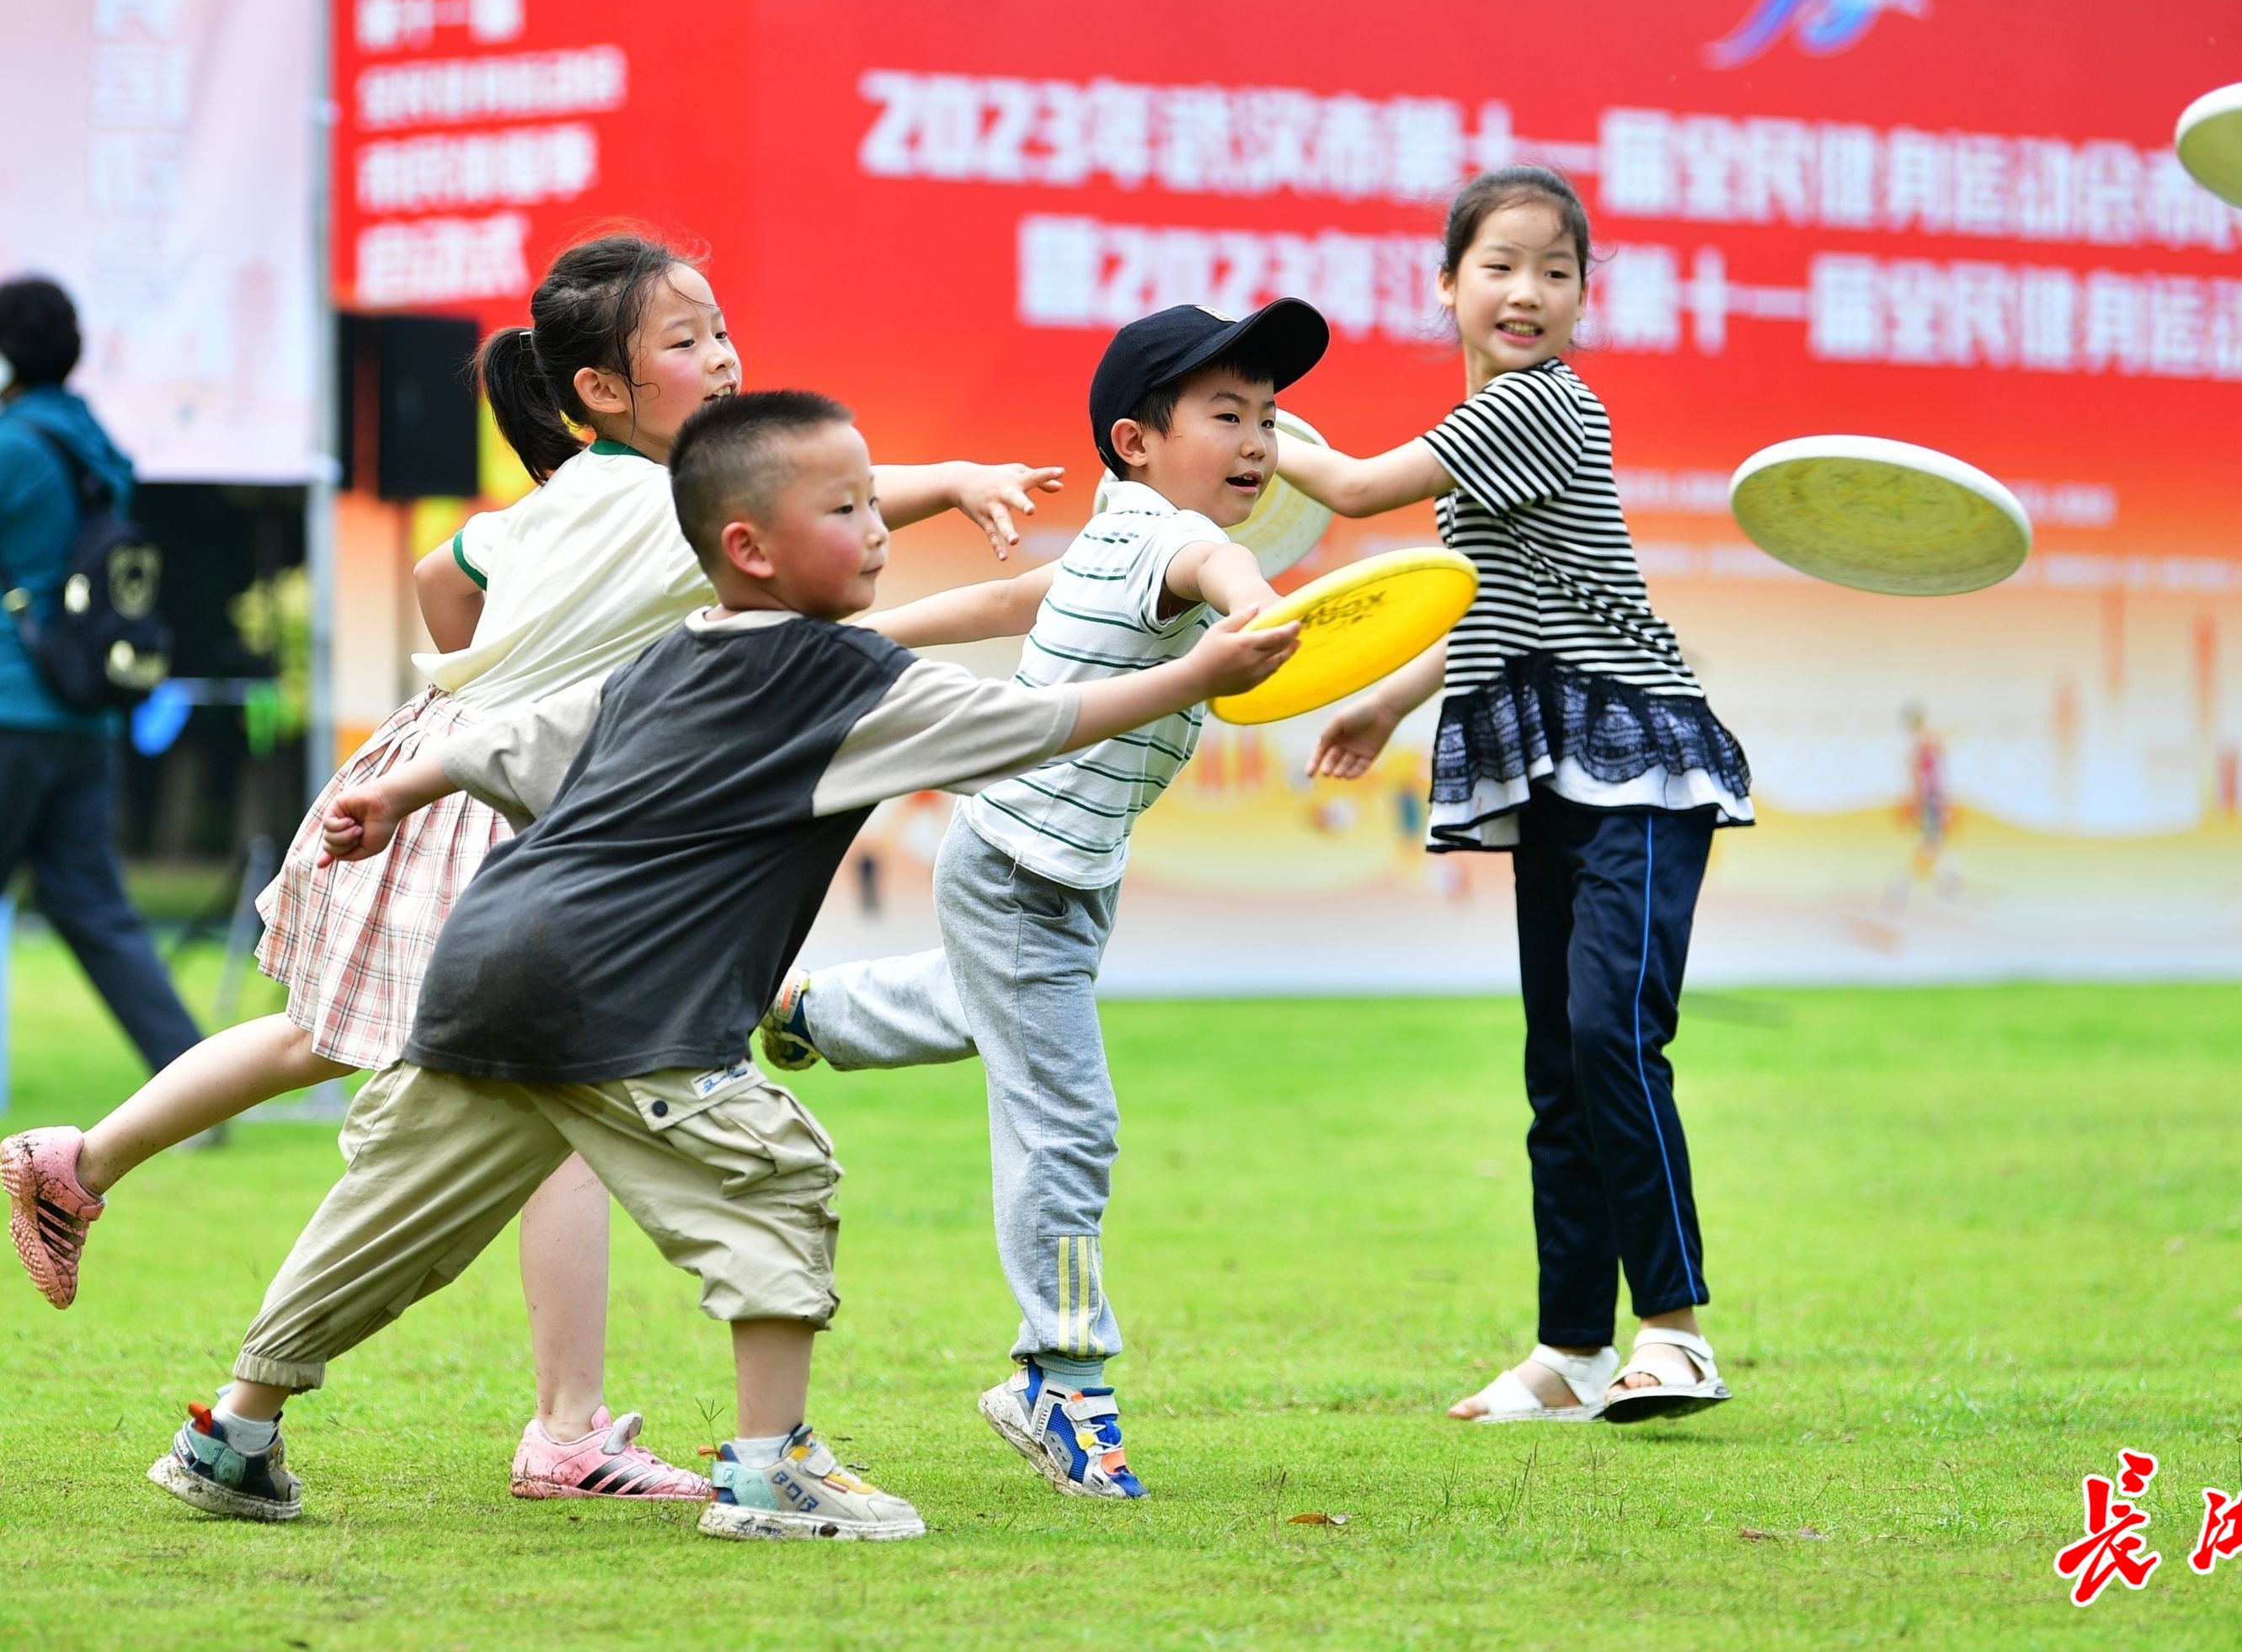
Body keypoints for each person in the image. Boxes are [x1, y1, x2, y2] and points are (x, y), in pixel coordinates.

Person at [3, 234, 1057, 1505]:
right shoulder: (659, 504)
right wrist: (959, 484)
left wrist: (494, 679)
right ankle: (553, 1430)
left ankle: (104, 1187)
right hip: (494, 811)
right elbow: (823, 508)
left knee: (356, 1053)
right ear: (603, 390)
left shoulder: (578, 496)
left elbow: (447, 579)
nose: (722, 354)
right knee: (523, 1087)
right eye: (686, 340)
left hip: (452, 777)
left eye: (721, 328)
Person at [144, 389, 1298, 1541]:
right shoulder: (845, 683)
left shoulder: (669, 657)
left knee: (388, 1219)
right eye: (846, 507)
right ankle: (769, 1470)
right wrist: (1197, 679)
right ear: (747, 547)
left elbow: (522, 737)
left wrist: (397, 788)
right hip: (624, 1000)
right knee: (780, 1175)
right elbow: (1034, 723)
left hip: (486, 967)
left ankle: (232, 1434)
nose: (879, 527)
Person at [755, 300, 1329, 1498]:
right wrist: (1249, 600)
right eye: (1226, 414)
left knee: (992, 1015)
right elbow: (1213, 563)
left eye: (1268, 419)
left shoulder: (1116, 542)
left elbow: (1012, 605)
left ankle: (807, 1011)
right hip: (1021, 874)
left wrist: (857, 643)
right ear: (1135, 440)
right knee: (1066, 1118)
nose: (1259, 441)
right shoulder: (1164, 542)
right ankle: (1058, 1375)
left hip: (1049, 872)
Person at [1274, 167, 1754, 1424]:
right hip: (1553, 764)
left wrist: (1238, 423)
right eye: (1498, 265)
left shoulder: (1543, 404)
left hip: (1639, 763)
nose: (1526, 290)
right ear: (1448, 287)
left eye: (1554, 269)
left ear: (1585, 298)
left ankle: (1678, 1333)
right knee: (1559, 1064)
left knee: (1610, 1039)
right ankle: (1572, 1352)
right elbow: (1489, 597)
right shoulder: (1490, 422)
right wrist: (1388, 702)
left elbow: (1359, 491)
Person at [0, 276, 202, 1078]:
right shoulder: (90, 440)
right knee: (97, 911)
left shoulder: (15, 445)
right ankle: (194, 1083)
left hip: (11, 704)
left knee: (95, 908)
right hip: (82, 716)